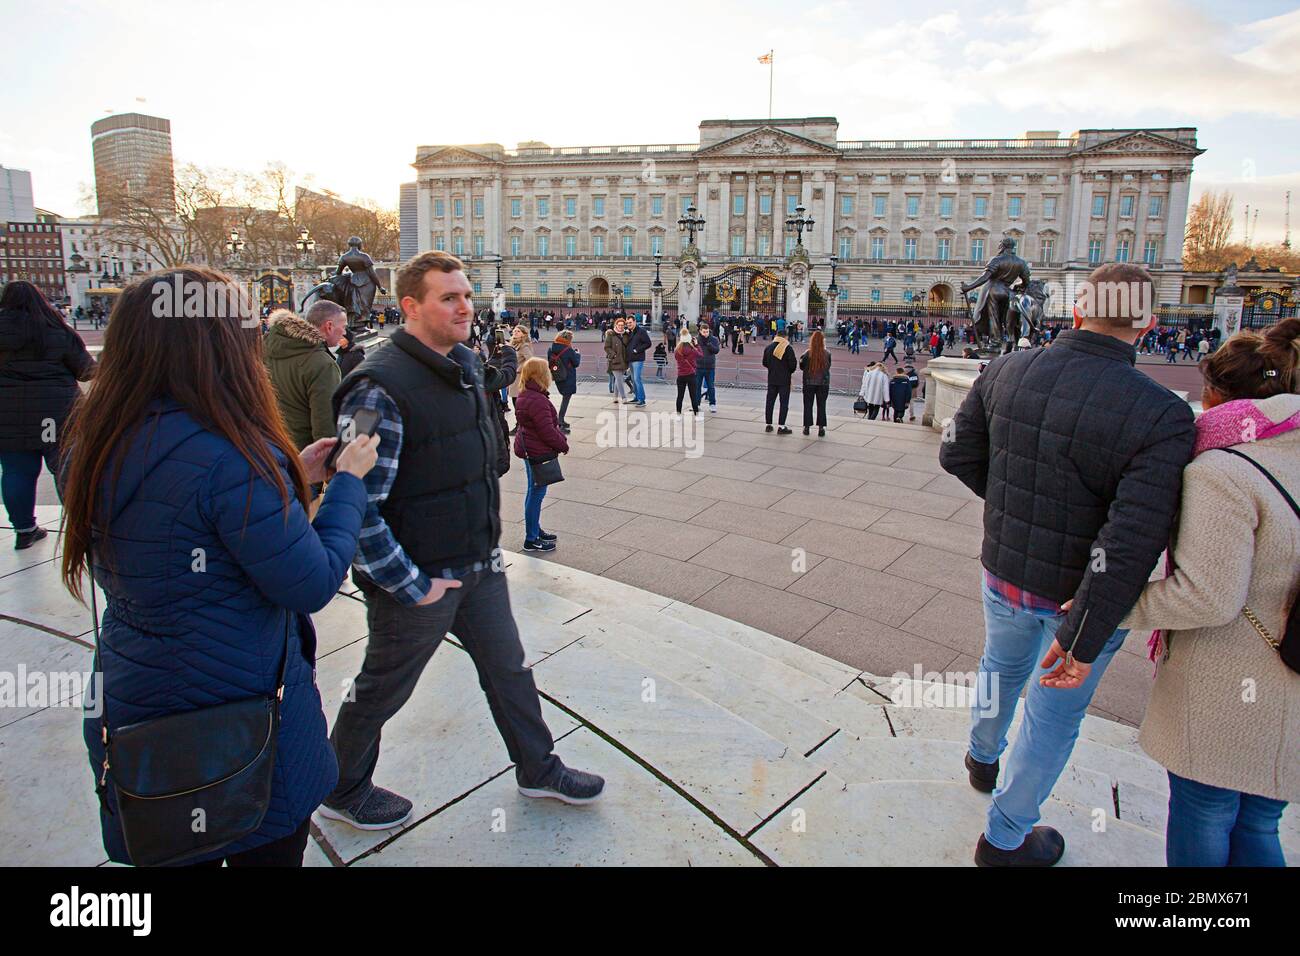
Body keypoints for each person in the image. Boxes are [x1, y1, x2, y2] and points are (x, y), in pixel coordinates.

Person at [59, 266, 379, 867]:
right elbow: (311, 579)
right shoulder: (229, 458)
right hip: (238, 715)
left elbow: (177, 516)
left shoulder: (93, 442)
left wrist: (294, 477)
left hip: (137, 703)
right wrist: (347, 487)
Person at [323, 252, 603, 828]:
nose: (465, 306)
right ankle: (341, 785)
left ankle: (538, 768)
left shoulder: (467, 363)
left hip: (477, 561)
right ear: (410, 307)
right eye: (449, 297)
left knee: (510, 669)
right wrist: (412, 584)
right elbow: (356, 508)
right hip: (418, 576)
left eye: (467, 295)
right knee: (382, 689)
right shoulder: (377, 388)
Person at [939, 263, 1196, 867]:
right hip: (1079, 599)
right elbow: (1131, 540)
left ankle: (982, 756)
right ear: (1148, 325)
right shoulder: (1162, 413)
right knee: (1053, 718)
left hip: (1003, 569)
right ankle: (1004, 839)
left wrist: (1009, 504)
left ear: (1077, 312)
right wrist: (1083, 635)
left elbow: (956, 453)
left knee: (999, 666)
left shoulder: (1004, 369)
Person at [1119, 318, 1300, 867]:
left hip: (1234, 677)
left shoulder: (1223, 470)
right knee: (1261, 823)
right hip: (1294, 675)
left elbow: (1208, 597)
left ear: (1221, 395)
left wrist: (1116, 606)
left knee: (1205, 812)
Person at [0, 280, 95, 549]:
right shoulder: (56, 330)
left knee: (16, 471)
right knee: (66, 468)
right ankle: (79, 527)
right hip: (57, 413)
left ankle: (24, 529)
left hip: (8, 415)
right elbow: (87, 371)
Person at [263, 302, 346, 452]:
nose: (344, 332)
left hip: (269, 449)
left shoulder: (265, 348)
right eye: (344, 326)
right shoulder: (322, 364)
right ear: (329, 326)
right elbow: (325, 427)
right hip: (303, 456)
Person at [514, 357, 568, 553]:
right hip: (536, 450)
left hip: (530, 447)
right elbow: (547, 430)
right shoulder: (536, 399)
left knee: (534, 491)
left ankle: (535, 530)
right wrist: (563, 444)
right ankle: (531, 538)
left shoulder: (529, 394)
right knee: (536, 493)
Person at [762, 331, 797, 434]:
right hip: (784, 380)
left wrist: (772, 368)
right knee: (784, 403)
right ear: (785, 337)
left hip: (772, 379)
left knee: (770, 402)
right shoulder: (788, 348)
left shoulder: (768, 347)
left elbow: (764, 363)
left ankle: (768, 424)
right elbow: (793, 366)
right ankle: (781, 426)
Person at [799, 330, 832, 437]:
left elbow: (802, 367)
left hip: (809, 382)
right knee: (821, 405)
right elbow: (828, 367)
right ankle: (821, 428)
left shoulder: (807, 353)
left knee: (808, 405)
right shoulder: (827, 353)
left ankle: (807, 427)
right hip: (823, 383)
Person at [547, 330, 580, 433]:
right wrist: (577, 354)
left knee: (565, 398)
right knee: (566, 399)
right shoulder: (568, 350)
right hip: (568, 377)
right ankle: (560, 421)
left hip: (558, 376)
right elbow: (576, 363)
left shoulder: (551, 348)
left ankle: (560, 419)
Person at [506, 325, 533, 422]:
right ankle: (520, 423)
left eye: (518, 331)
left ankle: (520, 424)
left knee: (518, 402)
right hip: (513, 377)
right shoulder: (513, 344)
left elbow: (530, 360)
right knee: (515, 401)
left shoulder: (524, 346)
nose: (515, 333)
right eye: (514, 331)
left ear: (523, 334)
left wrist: (518, 369)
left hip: (519, 377)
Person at [625, 314, 652, 407]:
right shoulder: (630, 332)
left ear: (635, 322)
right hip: (631, 359)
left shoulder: (641, 331)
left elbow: (648, 343)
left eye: (630, 322)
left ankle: (642, 400)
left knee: (637, 379)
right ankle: (636, 397)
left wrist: (637, 350)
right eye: (627, 323)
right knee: (633, 379)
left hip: (638, 359)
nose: (629, 324)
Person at [674, 330, 702, 415]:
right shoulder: (693, 350)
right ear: (689, 339)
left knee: (680, 396)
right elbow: (701, 355)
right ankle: (696, 414)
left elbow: (677, 359)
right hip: (691, 375)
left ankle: (678, 414)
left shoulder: (677, 351)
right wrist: (696, 344)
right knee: (693, 396)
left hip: (681, 375)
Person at [695, 320, 720, 413]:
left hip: (710, 367)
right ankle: (696, 404)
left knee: (711, 386)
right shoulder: (696, 339)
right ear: (700, 331)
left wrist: (709, 345)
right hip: (698, 366)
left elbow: (716, 350)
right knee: (697, 387)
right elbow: (692, 352)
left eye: (707, 331)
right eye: (704, 332)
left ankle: (712, 404)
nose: (706, 333)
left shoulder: (714, 339)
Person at [604, 316, 630, 404]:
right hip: (614, 361)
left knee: (618, 379)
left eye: (622, 325)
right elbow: (606, 347)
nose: (621, 327)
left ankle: (615, 397)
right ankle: (624, 397)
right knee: (619, 379)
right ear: (616, 325)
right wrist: (613, 354)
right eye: (619, 325)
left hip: (624, 361)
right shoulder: (611, 335)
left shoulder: (626, 335)